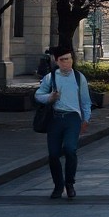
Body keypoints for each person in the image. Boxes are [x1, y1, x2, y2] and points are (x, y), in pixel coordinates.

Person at [34, 46, 92, 199]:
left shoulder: (79, 77)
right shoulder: (50, 78)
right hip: (55, 118)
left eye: (69, 59)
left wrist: (86, 119)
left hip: (73, 117)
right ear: (57, 61)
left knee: (70, 149)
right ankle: (58, 185)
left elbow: (86, 101)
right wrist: (50, 98)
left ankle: (70, 183)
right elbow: (38, 95)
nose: (67, 63)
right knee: (53, 154)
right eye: (63, 60)